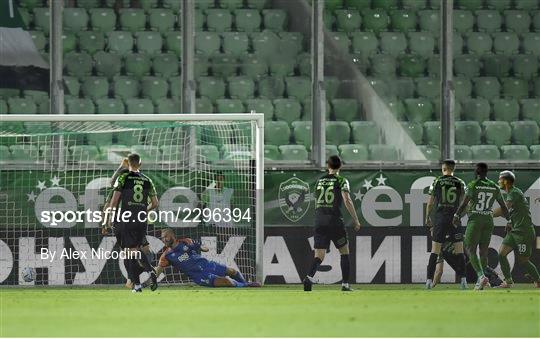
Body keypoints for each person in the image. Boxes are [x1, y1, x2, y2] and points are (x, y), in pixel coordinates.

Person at [303, 155, 362, 292]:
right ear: (340, 166)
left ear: (327, 166)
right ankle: (345, 285)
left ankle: (308, 277)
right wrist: (356, 219)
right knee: (344, 252)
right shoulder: (341, 180)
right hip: (334, 220)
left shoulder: (319, 181)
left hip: (319, 220)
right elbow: (347, 200)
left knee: (319, 256)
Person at [453, 163, 510, 290]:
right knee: (483, 251)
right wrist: (509, 220)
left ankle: (481, 276)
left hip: (475, 219)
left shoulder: (473, 185)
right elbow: (504, 206)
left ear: (477, 172)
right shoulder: (494, 186)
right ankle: (483, 281)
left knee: (469, 248)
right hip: (488, 220)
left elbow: (464, 204)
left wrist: (456, 216)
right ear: (486, 172)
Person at [109, 153, 159, 292]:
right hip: (142, 219)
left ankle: (150, 272)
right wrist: (144, 209)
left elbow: (114, 202)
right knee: (133, 251)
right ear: (140, 164)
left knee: (129, 252)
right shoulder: (147, 180)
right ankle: (137, 286)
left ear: (129, 163)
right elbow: (155, 203)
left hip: (126, 218)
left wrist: (110, 218)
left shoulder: (123, 177)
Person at [155, 228, 261, 288]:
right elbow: (158, 270)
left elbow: (205, 249)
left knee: (232, 271)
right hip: (199, 276)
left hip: (207, 265)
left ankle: (245, 283)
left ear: (172, 236)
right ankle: (246, 286)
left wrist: (195, 245)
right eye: (162, 238)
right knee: (225, 282)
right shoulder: (166, 255)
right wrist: (151, 280)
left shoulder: (186, 242)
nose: (164, 239)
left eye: (166, 236)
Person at [493, 170, 539, 288]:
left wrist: (487, 213)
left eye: (500, 179)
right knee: (501, 254)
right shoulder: (512, 194)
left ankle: (538, 280)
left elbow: (504, 209)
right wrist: (509, 221)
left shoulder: (514, 192)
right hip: (514, 231)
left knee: (523, 260)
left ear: (506, 181)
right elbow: (512, 212)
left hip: (523, 232)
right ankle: (508, 281)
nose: (498, 181)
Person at [425, 160, 467, 290]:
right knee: (460, 251)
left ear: (443, 168)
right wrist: (458, 216)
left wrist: (427, 217)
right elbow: (465, 204)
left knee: (435, 251)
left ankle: (428, 282)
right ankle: (464, 282)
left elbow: (431, 202)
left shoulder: (437, 181)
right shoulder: (460, 182)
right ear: (453, 169)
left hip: (440, 220)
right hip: (454, 220)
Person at [432, 235, 502, 288]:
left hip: (467, 274)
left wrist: (432, 286)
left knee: (497, 285)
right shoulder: (458, 237)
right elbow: (439, 272)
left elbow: (439, 272)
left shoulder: (438, 248)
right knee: (499, 285)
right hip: (476, 269)